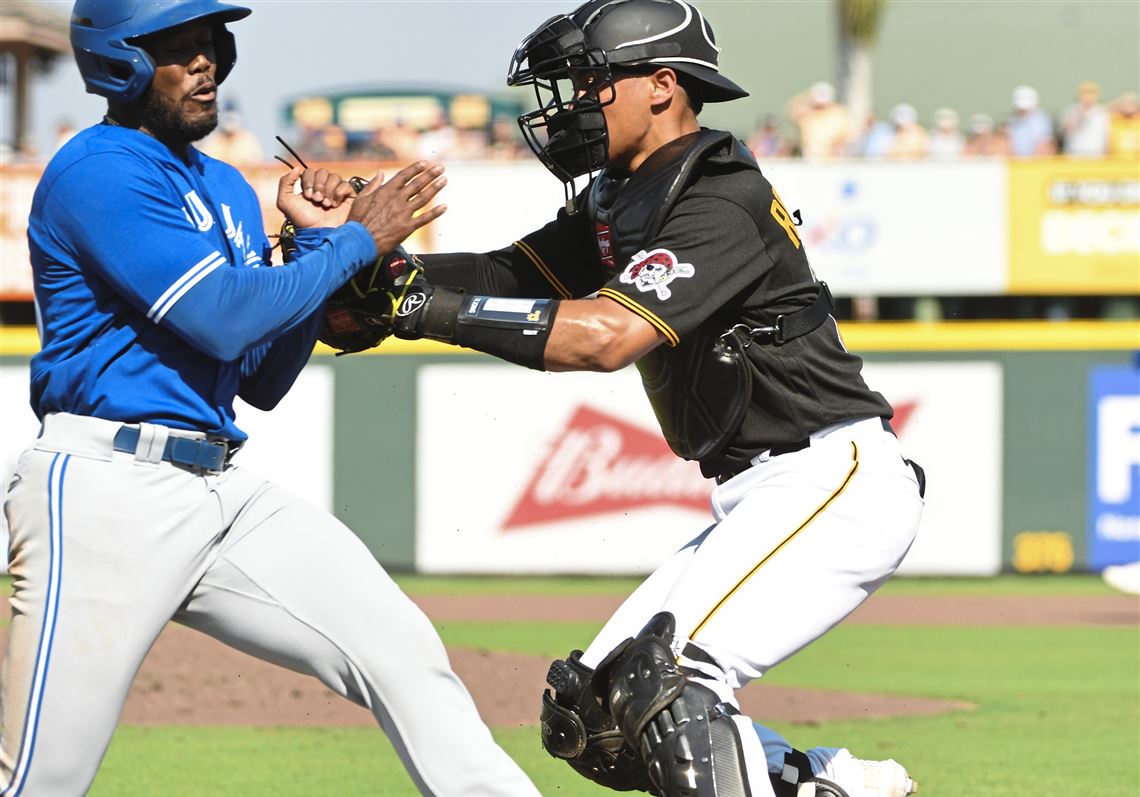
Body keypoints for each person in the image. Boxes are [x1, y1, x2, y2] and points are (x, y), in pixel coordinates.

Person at [326, 1, 925, 795]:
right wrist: (375, 266)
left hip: (833, 479)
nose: (573, 102)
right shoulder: (623, 195)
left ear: (662, 86)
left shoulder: (720, 195)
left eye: (591, 82)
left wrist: (420, 310)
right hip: (762, 490)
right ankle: (833, 787)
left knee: (667, 689)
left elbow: (605, 336)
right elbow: (511, 277)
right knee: (599, 716)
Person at [0, 3, 542, 796]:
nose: (205, 62)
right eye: (177, 49)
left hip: (219, 484)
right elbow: (221, 320)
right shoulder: (98, 169)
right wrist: (360, 237)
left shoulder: (220, 182)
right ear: (117, 61)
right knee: (41, 778)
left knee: (399, 647)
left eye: (210, 43)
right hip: (103, 495)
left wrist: (318, 240)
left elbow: (261, 375)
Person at [1059, 81, 1110, 157]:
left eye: (1092, 94)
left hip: (1097, 155)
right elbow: (1064, 131)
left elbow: (1107, 135)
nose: (1089, 97)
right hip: (1075, 154)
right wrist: (1080, 116)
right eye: (1086, 93)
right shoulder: (1072, 111)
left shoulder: (1102, 112)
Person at [1007, 84, 1056, 157]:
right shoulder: (1012, 120)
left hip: (1035, 163)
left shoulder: (1042, 120)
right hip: (1016, 162)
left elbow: (1045, 144)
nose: (1023, 111)